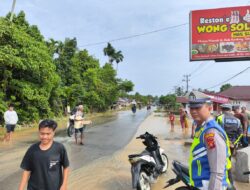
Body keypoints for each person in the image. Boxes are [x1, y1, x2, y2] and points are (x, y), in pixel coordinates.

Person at [188, 91, 231, 190]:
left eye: (198, 107)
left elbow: (217, 172)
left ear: (210, 108)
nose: (193, 111)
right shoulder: (202, 128)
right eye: (191, 108)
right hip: (201, 184)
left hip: (209, 186)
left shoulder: (211, 133)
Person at [18, 119, 69, 190]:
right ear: (39, 132)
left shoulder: (59, 148)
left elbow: (66, 167)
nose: (44, 137)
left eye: (48, 134)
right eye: (42, 133)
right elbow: (27, 171)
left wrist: (64, 185)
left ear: (53, 133)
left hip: (54, 187)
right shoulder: (32, 150)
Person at [216, 104, 243, 188]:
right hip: (231, 146)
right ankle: (230, 184)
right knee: (228, 163)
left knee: (218, 164)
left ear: (222, 109)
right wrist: (233, 143)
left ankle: (220, 184)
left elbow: (216, 132)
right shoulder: (237, 120)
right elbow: (240, 133)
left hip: (221, 146)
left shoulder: (220, 118)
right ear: (230, 109)